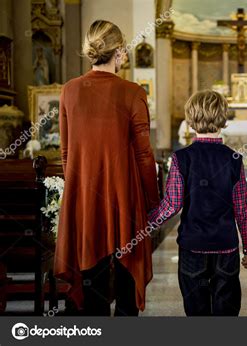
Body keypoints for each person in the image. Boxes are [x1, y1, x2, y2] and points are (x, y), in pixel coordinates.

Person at [55, 20, 159, 316]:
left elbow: (66, 152)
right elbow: (143, 155)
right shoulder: (133, 92)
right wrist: (152, 201)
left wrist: (76, 190)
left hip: (86, 198)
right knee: (127, 283)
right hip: (125, 195)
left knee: (92, 281)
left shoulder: (69, 90)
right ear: (121, 52)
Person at [148, 90, 247, 316]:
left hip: (192, 246)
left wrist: (146, 222)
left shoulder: (181, 158)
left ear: (190, 121)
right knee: (226, 311)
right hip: (225, 247)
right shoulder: (234, 159)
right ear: (224, 120)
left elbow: (172, 204)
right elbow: (243, 210)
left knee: (196, 311)